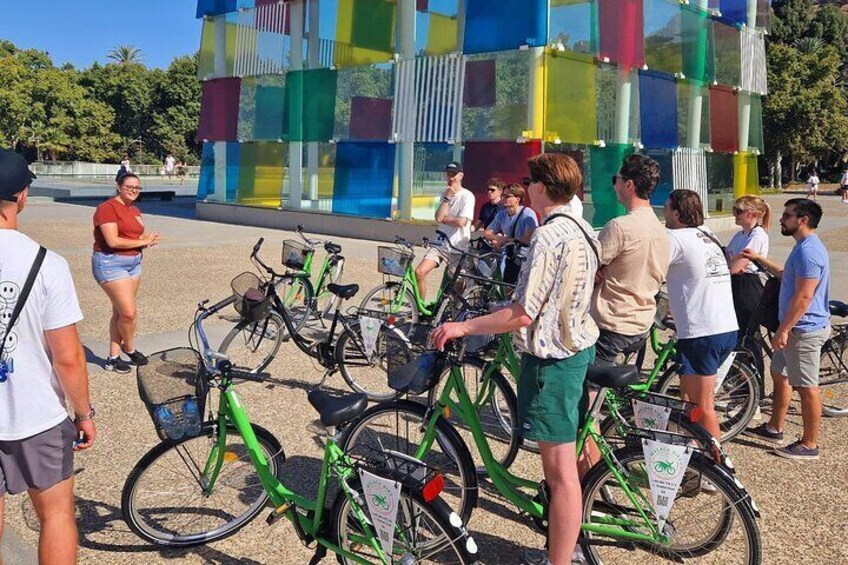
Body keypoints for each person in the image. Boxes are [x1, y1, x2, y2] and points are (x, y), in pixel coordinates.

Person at [433, 153, 598, 565]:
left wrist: (463, 327)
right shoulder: (582, 228)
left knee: (559, 476)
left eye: (530, 182)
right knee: (574, 458)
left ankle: (560, 559)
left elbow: (524, 311)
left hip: (552, 361)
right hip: (578, 348)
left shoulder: (548, 236)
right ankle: (571, 542)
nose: (526, 189)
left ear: (541, 187)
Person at [0, 149, 96, 564]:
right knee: (55, 515)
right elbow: (68, 357)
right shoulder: (46, 264)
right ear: (22, 196)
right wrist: (83, 413)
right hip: (37, 415)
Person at [743, 199, 830, 460]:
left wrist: (784, 329)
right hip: (792, 328)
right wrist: (759, 259)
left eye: (787, 215)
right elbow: (786, 275)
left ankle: (809, 444)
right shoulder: (802, 248)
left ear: (803, 220)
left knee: (806, 386)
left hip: (802, 329)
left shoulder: (809, 252)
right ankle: (774, 428)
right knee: (779, 374)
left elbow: (804, 297)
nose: (781, 219)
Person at [664, 190, 738, 442]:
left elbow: (650, 268)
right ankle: (696, 460)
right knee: (689, 402)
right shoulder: (708, 234)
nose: (663, 212)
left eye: (665, 207)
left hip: (702, 331)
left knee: (702, 405)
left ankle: (716, 468)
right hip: (725, 326)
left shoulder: (674, 238)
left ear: (676, 212)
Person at [592, 154, 669, 366]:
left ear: (629, 184)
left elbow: (590, 268)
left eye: (614, 180)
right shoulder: (660, 228)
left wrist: (598, 272)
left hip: (613, 322)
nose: (614, 186)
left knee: (587, 386)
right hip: (642, 319)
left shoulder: (619, 227)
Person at [92, 172, 160, 373]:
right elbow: (113, 241)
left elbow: (133, 236)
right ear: (118, 187)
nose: (133, 190)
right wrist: (142, 241)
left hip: (134, 263)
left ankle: (112, 359)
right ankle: (129, 348)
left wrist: (146, 239)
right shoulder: (107, 209)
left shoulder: (134, 209)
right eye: (129, 186)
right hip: (111, 263)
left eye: (137, 187)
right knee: (129, 314)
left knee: (120, 312)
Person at [414, 161, 475, 299]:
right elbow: (437, 217)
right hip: (440, 243)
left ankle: (457, 307)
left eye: (453, 174)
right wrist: (447, 199)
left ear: (461, 176)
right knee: (419, 272)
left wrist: (445, 219)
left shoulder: (467, 196)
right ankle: (420, 307)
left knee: (457, 284)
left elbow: (461, 222)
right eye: (448, 174)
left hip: (457, 246)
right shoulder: (445, 194)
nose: (450, 177)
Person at [726, 195, 771, 341]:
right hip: (736, 283)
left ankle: (751, 362)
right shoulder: (740, 234)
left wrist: (733, 264)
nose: (734, 214)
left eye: (738, 211)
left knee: (746, 334)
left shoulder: (757, 235)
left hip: (747, 285)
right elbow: (728, 258)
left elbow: (738, 265)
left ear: (751, 214)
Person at [483, 183, 538, 284]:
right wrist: (497, 239)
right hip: (510, 255)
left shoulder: (528, 214)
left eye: (507, 196)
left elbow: (529, 239)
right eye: (503, 196)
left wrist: (508, 240)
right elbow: (486, 233)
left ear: (518, 198)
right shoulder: (501, 214)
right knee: (506, 285)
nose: (503, 198)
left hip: (524, 258)